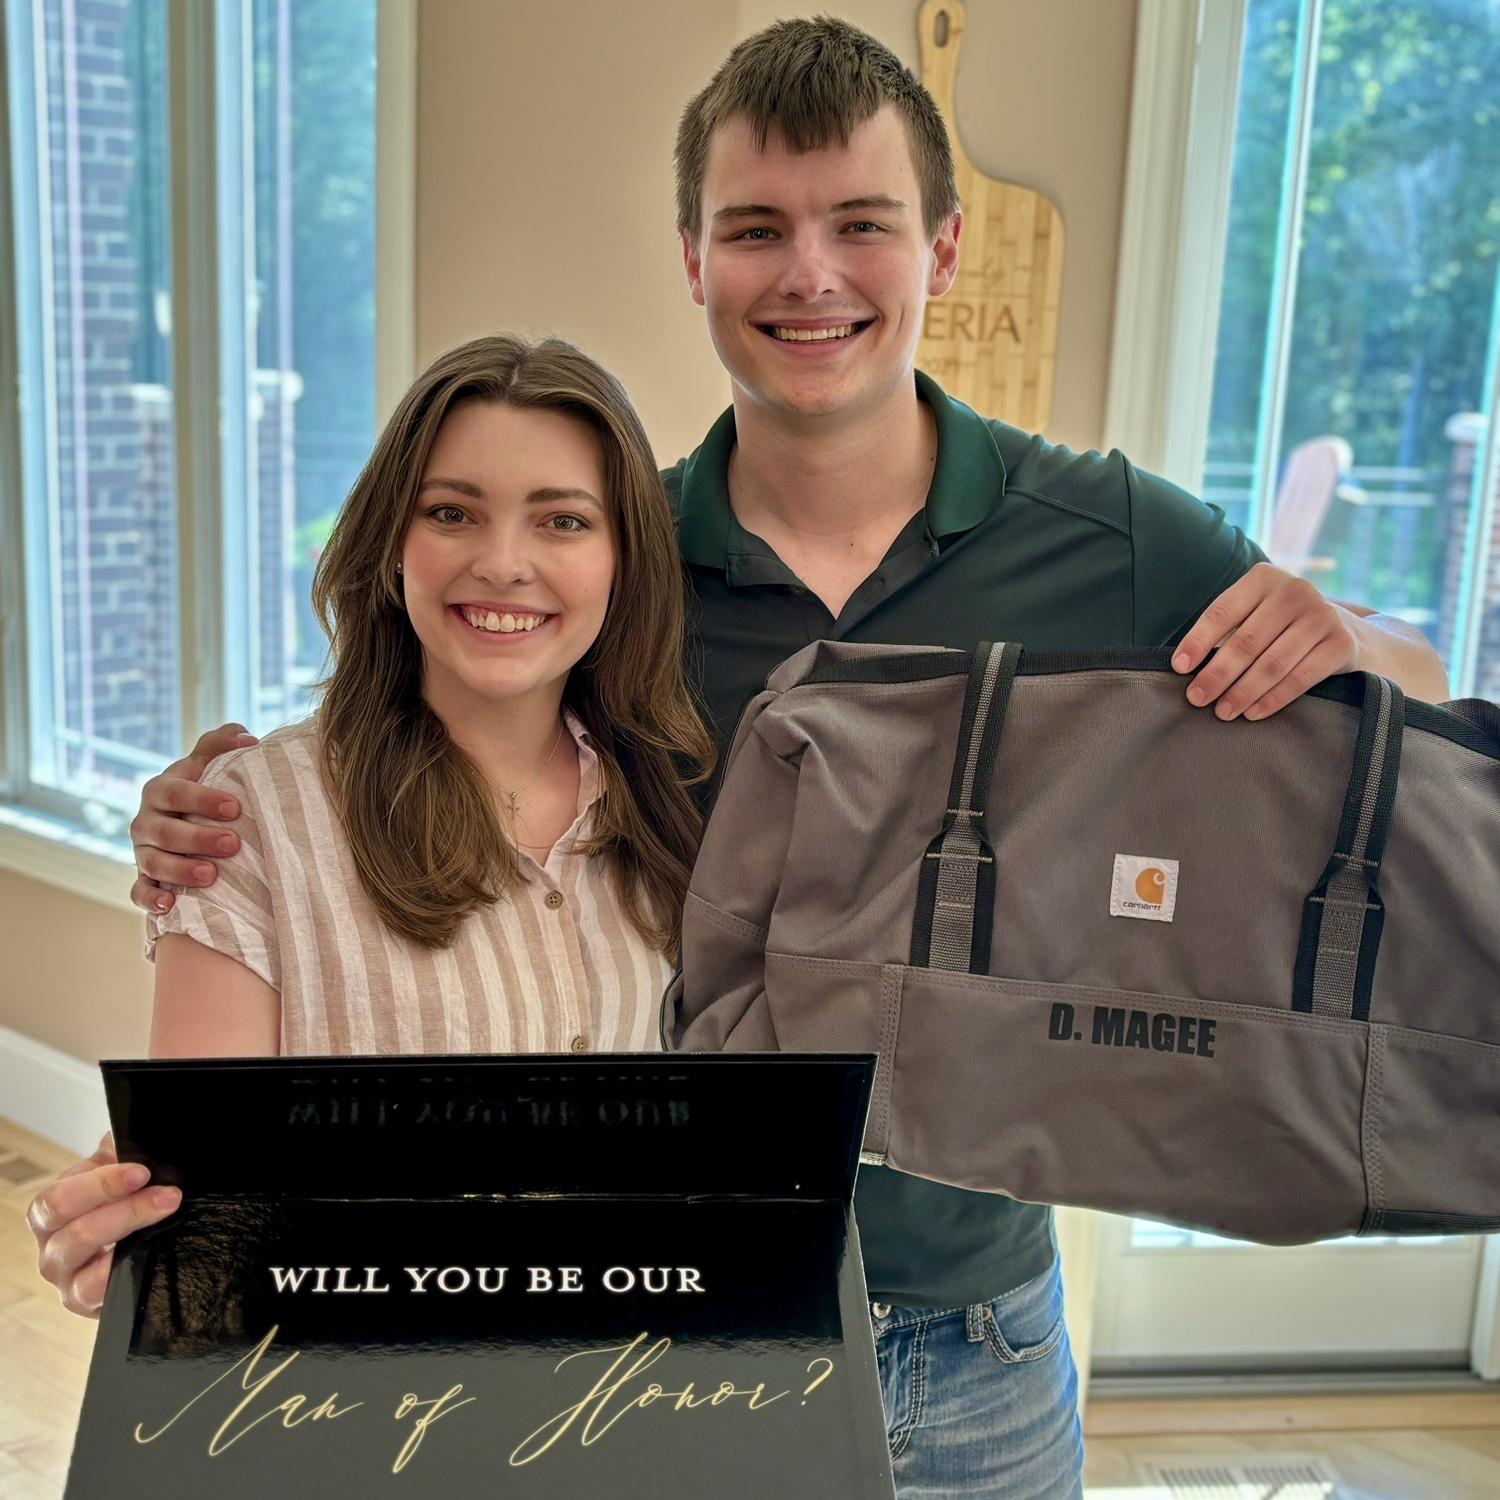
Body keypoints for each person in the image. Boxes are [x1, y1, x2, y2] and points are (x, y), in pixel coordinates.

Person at [38, 18, 1451, 1499]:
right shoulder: (616, 562)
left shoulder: (1108, 541)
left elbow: (1407, 696)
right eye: (759, 228)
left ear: (943, 249)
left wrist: (1356, 641)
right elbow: (423, 734)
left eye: (863, 224)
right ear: (694, 257)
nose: (811, 274)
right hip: (684, 1333)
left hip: (983, 1337)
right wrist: (220, 822)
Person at [27, 331, 711, 1300]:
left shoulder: (673, 808)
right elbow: (204, 1228)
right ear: (393, 542)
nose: (503, 562)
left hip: (618, 1370)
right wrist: (140, 1264)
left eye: (562, 521)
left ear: (623, 559)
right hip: (357, 1379)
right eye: (450, 512)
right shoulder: (253, 820)